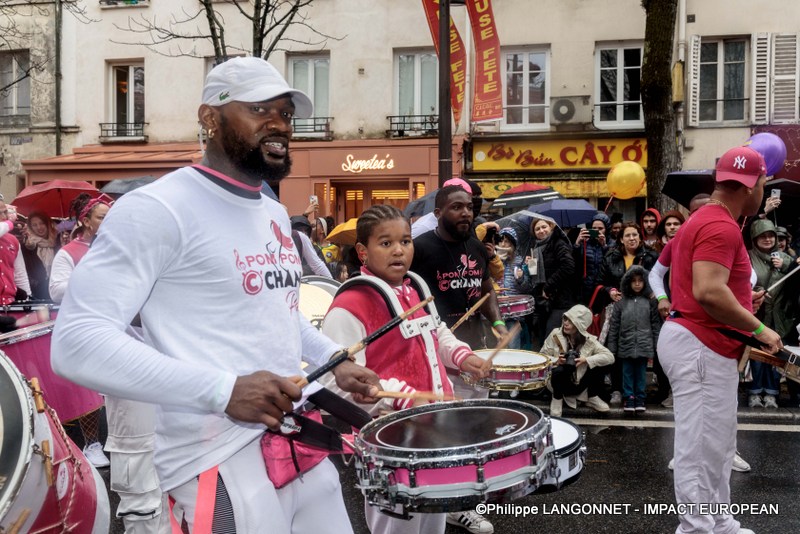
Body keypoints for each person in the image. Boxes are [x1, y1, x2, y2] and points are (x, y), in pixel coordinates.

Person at [51, 56, 381, 533]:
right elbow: (77, 341)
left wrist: (335, 359)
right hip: (215, 460)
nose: (279, 125)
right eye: (259, 110)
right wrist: (222, 390)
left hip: (297, 441)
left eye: (285, 114)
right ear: (209, 119)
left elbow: (273, 312)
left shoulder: (269, 211)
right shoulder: (156, 208)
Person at [321, 204, 491, 534]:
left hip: (436, 431)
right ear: (362, 251)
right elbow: (333, 382)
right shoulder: (348, 306)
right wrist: (400, 398)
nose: (399, 250)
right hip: (390, 445)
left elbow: (436, 331)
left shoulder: (413, 288)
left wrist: (461, 356)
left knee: (432, 525)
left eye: (406, 241)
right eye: (386, 243)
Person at [658, 145, 782, 534]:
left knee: (717, 444)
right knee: (699, 447)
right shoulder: (719, 225)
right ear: (753, 185)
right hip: (701, 342)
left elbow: (711, 288)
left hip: (703, 341)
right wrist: (760, 328)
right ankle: (696, 528)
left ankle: (718, 522)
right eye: (764, 183)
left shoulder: (708, 219)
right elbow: (709, 292)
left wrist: (744, 302)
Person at [598, 221, 659, 404]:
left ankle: (639, 392)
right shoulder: (611, 257)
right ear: (621, 239)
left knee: (639, 354)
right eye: (627, 235)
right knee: (616, 348)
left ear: (640, 238)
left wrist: (652, 293)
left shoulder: (650, 256)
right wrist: (610, 291)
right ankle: (618, 389)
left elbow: (657, 279)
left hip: (642, 308)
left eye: (634, 235)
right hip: (617, 308)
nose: (631, 238)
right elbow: (600, 281)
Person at [746, 219, 794, 408]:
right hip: (757, 313)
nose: (767, 239)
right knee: (756, 355)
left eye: (770, 235)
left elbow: (793, 284)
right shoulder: (748, 257)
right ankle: (755, 392)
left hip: (779, 316)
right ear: (754, 238)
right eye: (762, 236)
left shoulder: (786, 258)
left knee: (775, 355)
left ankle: (772, 392)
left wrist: (784, 266)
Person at [541, 304, 613, 417]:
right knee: (558, 370)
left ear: (580, 325)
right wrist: (556, 360)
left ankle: (592, 396)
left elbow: (610, 357)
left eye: (571, 321)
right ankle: (557, 399)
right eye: (565, 319)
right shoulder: (555, 335)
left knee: (602, 364)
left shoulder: (590, 341)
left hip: (580, 383)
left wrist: (586, 360)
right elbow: (541, 357)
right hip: (558, 383)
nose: (566, 323)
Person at [606, 265, 661, 412]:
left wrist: (657, 344)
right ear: (628, 282)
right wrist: (612, 347)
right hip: (625, 343)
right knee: (627, 372)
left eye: (640, 281)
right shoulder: (621, 303)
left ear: (645, 283)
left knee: (641, 373)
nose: (637, 284)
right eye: (634, 281)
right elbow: (614, 326)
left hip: (644, 343)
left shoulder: (650, 302)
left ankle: (640, 397)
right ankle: (629, 397)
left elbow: (655, 324)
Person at [525, 216, 576, 349]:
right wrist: (530, 265)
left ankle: (557, 369)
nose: (541, 231)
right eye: (537, 229)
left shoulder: (558, 243)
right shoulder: (537, 248)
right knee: (544, 340)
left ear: (551, 227)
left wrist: (548, 287)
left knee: (552, 341)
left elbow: (568, 266)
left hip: (560, 300)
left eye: (544, 227)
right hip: (544, 303)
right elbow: (536, 276)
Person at [573, 213, 609, 306]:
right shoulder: (585, 242)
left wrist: (604, 246)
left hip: (602, 289)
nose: (597, 231)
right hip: (584, 289)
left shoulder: (611, 243)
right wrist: (577, 243)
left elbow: (611, 264)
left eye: (600, 229)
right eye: (594, 228)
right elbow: (574, 262)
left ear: (606, 229)